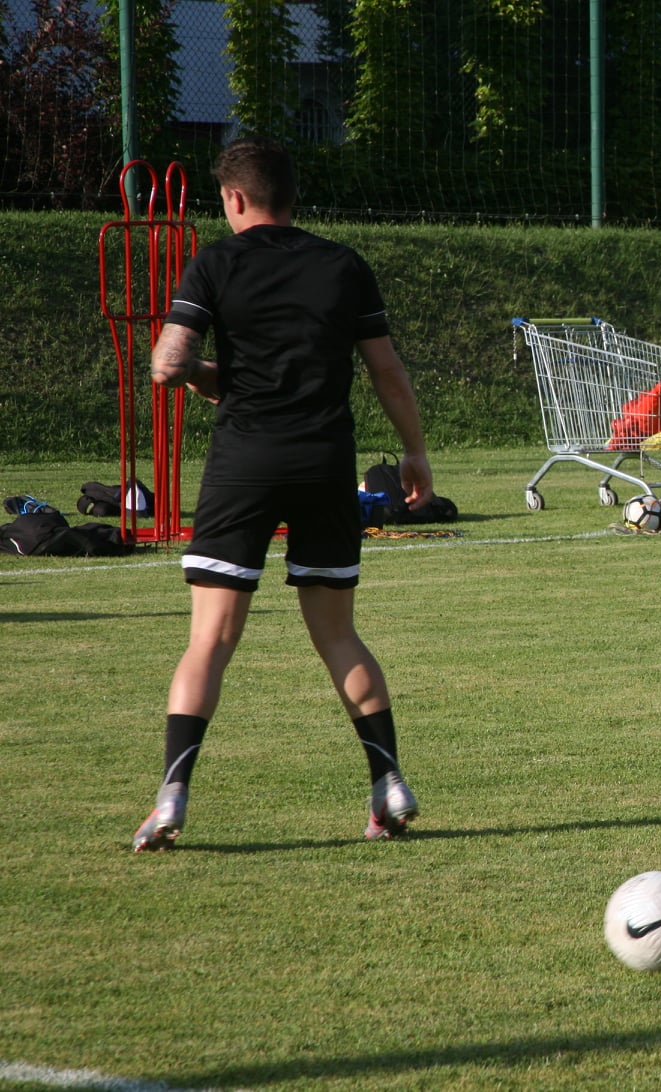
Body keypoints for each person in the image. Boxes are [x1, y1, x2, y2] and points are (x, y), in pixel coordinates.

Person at [132, 136, 434, 851]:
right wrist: (416, 451)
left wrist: (210, 374)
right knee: (337, 632)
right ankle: (388, 783)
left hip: (245, 464)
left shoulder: (216, 261)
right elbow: (388, 372)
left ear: (234, 198)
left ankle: (172, 798)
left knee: (211, 637)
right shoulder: (342, 265)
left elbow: (167, 365)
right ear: (291, 197)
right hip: (326, 462)